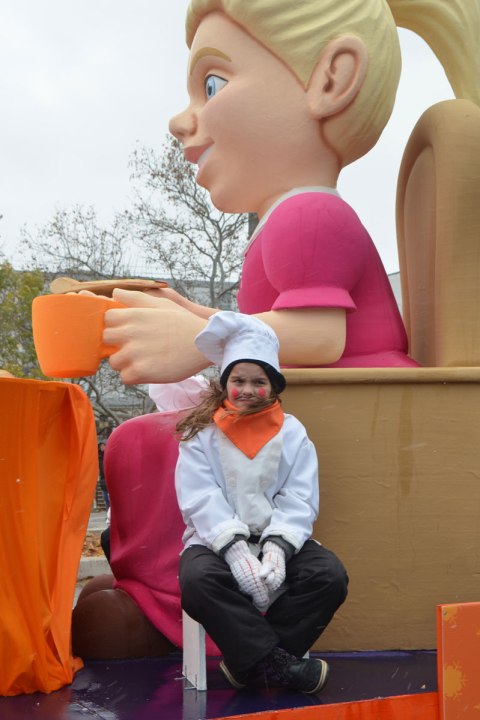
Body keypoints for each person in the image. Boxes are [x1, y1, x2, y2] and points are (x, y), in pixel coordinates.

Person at [99, 0, 479, 384]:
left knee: (143, 441)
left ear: (332, 80)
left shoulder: (309, 214)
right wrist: (184, 313)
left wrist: (196, 338)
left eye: (212, 85)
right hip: (334, 405)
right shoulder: (290, 215)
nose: (179, 122)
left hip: (363, 406)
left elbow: (319, 339)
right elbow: (277, 329)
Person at [175, 311, 348, 692]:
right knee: (198, 582)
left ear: (274, 386)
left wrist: (276, 549)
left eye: (259, 381)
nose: (248, 389)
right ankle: (281, 665)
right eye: (238, 380)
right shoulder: (201, 433)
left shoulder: (293, 432)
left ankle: (248, 663)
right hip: (213, 539)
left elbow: (299, 496)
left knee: (329, 576)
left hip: (277, 537)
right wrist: (236, 552)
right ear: (225, 384)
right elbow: (199, 495)